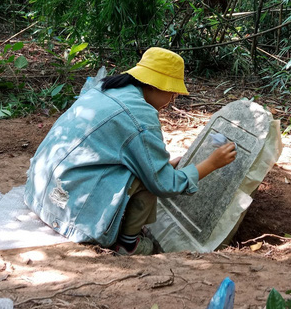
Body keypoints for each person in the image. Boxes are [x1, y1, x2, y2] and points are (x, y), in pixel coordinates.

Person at [24, 47, 237, 255]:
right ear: (155, 86)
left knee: (145, 169)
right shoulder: (140, 114)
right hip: (68, 212)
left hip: (42, 191)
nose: (172, 100)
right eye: (172, 93)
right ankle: (128, 244)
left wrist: (165, 166)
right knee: (146, 178)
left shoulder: (105, 89)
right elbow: (163, 183)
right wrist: (211, 164)